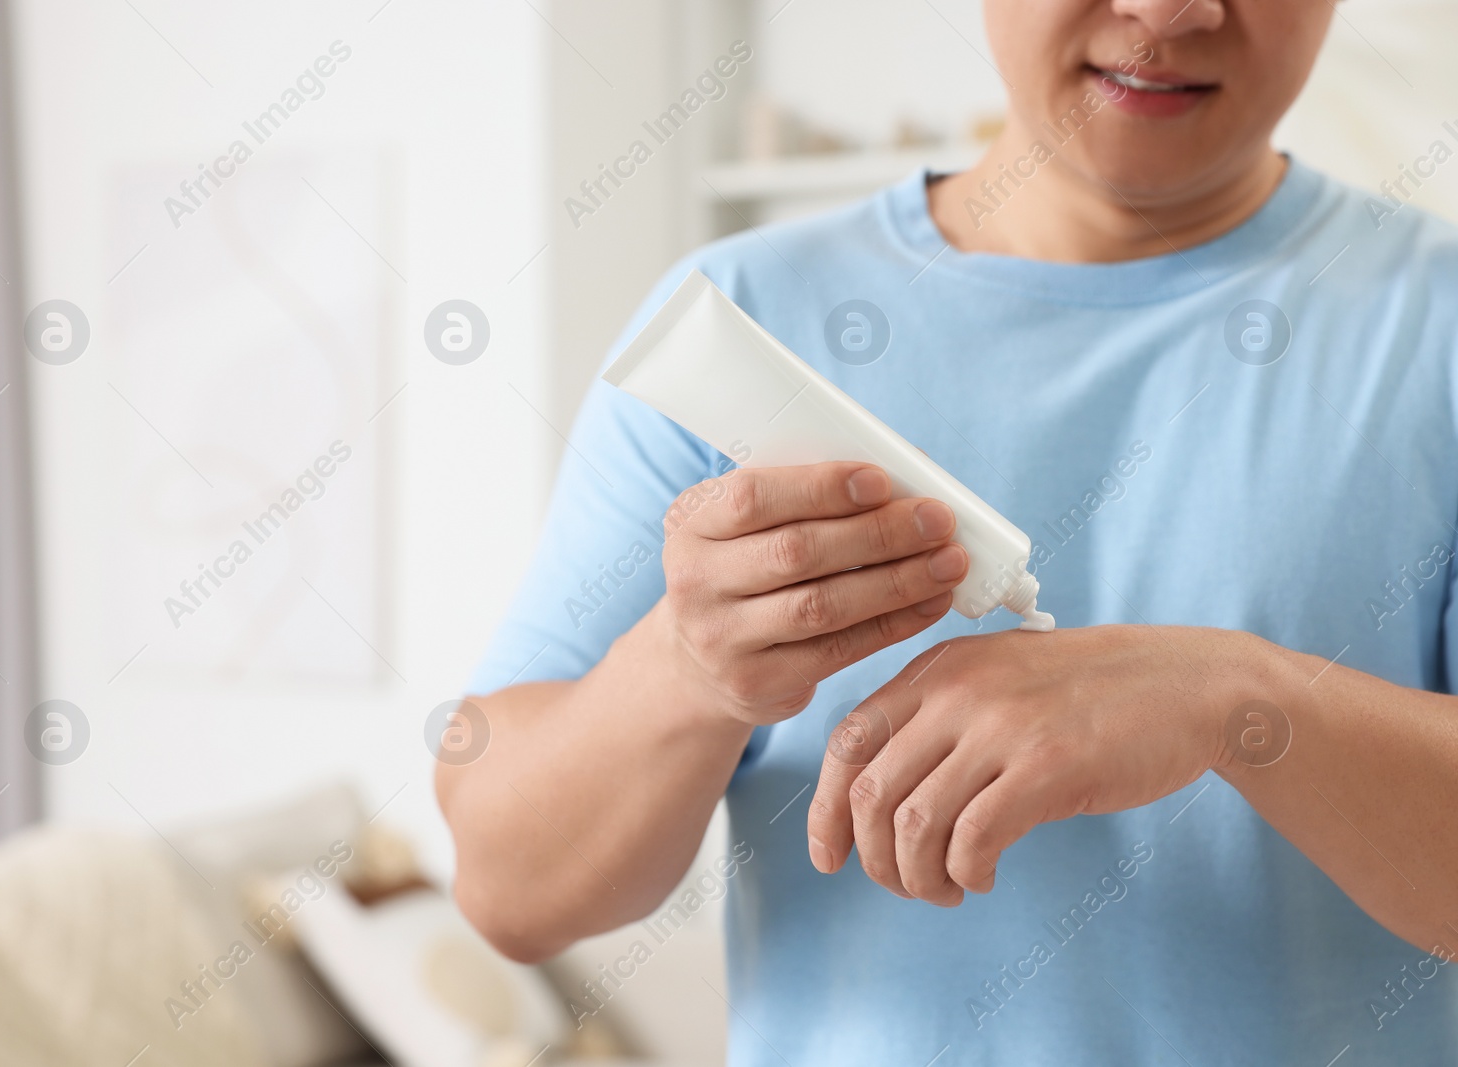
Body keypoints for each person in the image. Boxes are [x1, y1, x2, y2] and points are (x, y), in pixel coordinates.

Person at [439, 0, 1458, 1061]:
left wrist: (1237, 698)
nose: (1165, 10)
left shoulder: (1435, 324)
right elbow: (510, 890)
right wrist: (691, 670)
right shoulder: (750, 318)